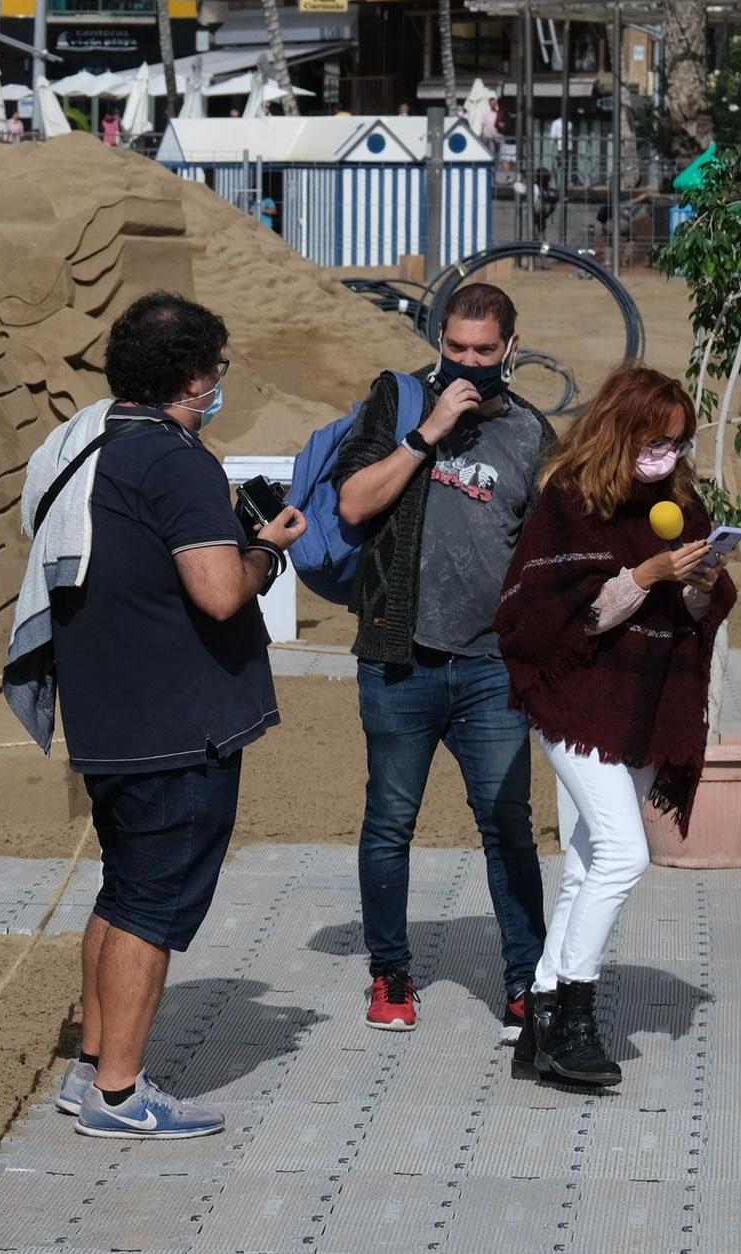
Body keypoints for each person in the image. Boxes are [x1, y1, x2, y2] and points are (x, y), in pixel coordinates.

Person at [4, 292, 306, 1140]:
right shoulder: (177, 463)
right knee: (154, 907)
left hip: (111, 715)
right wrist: (266, 552)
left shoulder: (88, 437)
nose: (219, 388)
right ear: (194, 377)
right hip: (176, 727)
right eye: (216, 373)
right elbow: (217, 592)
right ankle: (119, 1095)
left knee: (125, 889)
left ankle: (93, 1065)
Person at [495, 366, 734, 1087]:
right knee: (626, 857)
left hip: (641, 701)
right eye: (658, 440)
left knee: (589, 865)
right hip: (572, 697)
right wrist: (644, 575)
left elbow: (699, 620)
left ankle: (538, 1026)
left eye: (680, 442)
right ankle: (574, 1017)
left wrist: (697, 586)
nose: (669, 454)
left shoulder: (679, 500)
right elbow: (552, 620)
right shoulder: (567, 502)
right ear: (622, 429)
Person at [332, 282, 554, 1037]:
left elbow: (548, 552)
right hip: (402, 659)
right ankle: (390, 975)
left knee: (508, 827)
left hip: (491, 669)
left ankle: (526, 981)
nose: (469, 361)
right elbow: (354, 506)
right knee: (390, 822)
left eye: (484, 351)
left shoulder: (530, 432)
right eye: (455, 348)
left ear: (511, 350)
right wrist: (428, 432)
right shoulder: (398, 407)